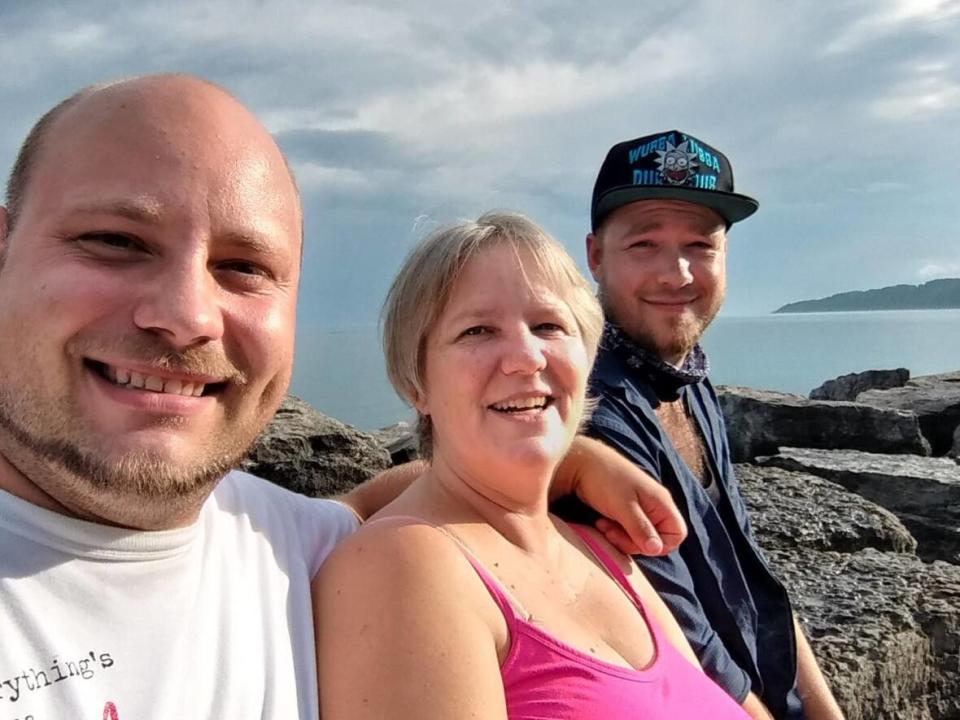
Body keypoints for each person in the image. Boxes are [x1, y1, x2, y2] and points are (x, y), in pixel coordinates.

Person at [0, 76, 684, 719]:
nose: (187, 315)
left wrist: (568, 461)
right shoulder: (375, 567)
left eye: (243, 267)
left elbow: (422, 493)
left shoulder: (295, 541)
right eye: (114, 242)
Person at [316, 212, 753, 720]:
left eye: (548, 325)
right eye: (477, 330)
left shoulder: (603, 551)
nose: (526, 357)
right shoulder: (403, 564)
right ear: (417, 382)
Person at [582, 130, 844, 719]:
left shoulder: (689, 376)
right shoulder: (585, 409)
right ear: (596, 255)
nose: (676, 274)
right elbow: (683, 641)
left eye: (700, 245)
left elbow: (749, 568)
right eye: (645, 243)